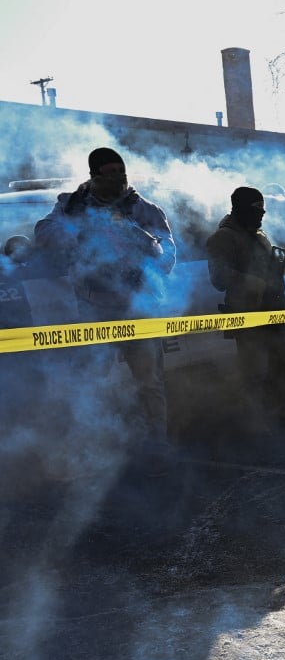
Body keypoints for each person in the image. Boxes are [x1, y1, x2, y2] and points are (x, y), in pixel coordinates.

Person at [34, 147, 176, 450]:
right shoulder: (72, 206)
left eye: (120, 171)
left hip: (138, 307)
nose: (117, 178)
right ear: (94, 175)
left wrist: (145, 268)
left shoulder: (144, 209)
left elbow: (169, 252)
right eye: (109, 173)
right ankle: (96, 446)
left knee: (149, 383)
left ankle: (156, 445)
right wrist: (78, 235)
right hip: (95, 307)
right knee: (92, 382)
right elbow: (43, 232)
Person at [206, 187, 285, 422]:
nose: (262, 213)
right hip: (249, 312)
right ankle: (254, 421)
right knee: (254, 371)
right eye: (256, 208)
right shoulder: (223, 238)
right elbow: (218, 278)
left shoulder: (259, 234)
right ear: (239, 208)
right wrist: (248, 281)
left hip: (275, 308)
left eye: (262, 208)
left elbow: (272, 264)